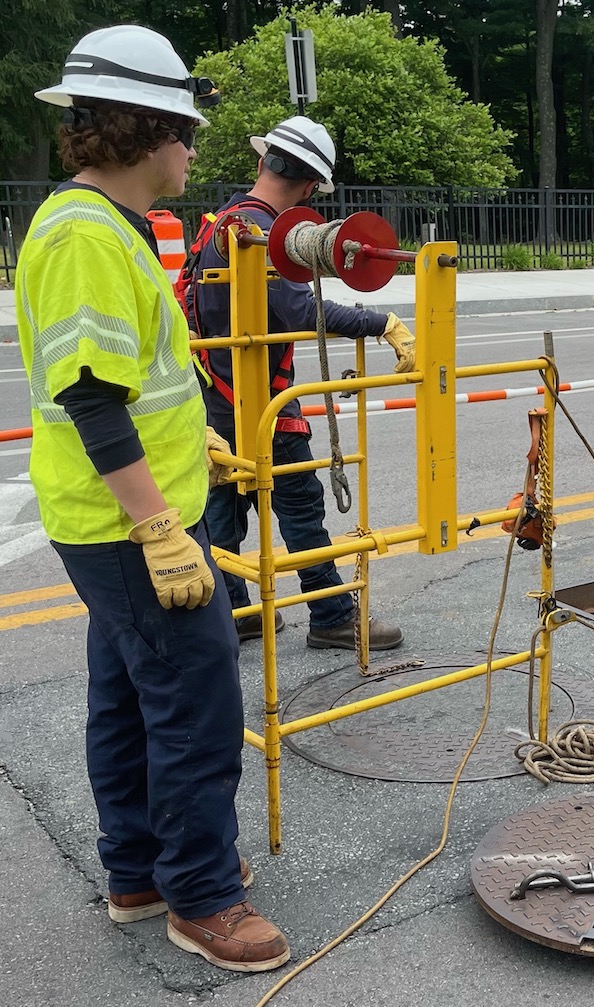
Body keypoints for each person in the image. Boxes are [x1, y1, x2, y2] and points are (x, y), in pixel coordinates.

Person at [18, 25, 289, 972]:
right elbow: (91, 397)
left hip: (114, 520)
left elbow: (129, 380)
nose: (195, 146)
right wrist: (159, 523)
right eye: (185, 128)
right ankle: (202, 896)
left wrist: (196, 439)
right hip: (131, 530)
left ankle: (138, 870)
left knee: (129, 695)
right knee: (195, 702)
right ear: (143, 130)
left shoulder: (98, 225)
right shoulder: (89, 235)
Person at [189, 115, 411, 651]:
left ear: (263, 161)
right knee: (301, 505)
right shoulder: (259, 234)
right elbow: (296, 309)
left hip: (216, 401)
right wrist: (379, 322)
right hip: (263, 403)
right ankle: (333, 615)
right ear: (311, 186)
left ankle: (236, 610)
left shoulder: (222, 223)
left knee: (223, 510)